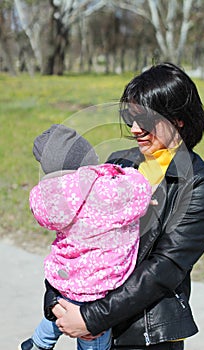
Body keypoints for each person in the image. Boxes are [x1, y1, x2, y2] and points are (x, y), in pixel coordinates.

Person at [52, 62, 204, 350]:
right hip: (89, 324)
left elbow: (165, 267)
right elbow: (75, 235)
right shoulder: (119, 162)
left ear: (179, 119)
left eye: (144, 119)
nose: (134, 129)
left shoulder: (201, 182)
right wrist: (56, 304)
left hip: (145, 334)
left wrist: (92, 318)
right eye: (130, 117)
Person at [19, 124, 152, 350]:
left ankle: (38, 343)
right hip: (98, 283)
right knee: (93, 335)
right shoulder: (103, 190)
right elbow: (138, 189)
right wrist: (118, 172)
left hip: (66, 277)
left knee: (60, 311)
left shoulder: (51, 196)